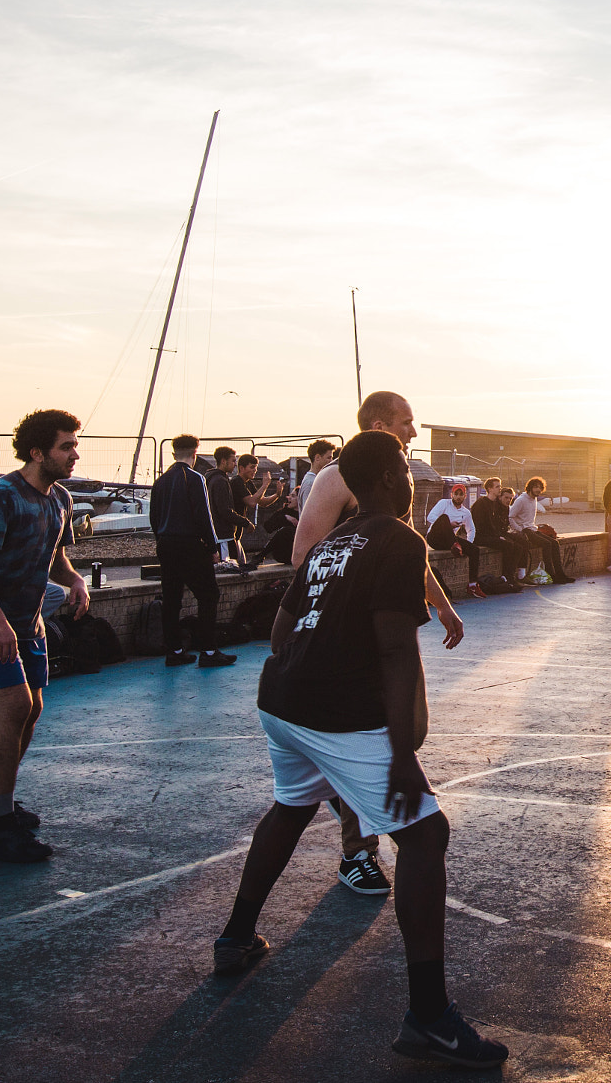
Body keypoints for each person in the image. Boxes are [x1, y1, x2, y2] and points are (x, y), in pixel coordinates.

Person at [211, 431, 506, 1069]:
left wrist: (308, 670)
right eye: (404, 468)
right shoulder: (401, 540)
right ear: (384, 482)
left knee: (291, 807)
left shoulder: (331, 544)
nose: (412, 480)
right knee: (425, 836)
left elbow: (281, 626)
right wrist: (403, 751)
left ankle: (235, 938)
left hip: (281, 701)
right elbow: (398, 649)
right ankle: (428, 1018)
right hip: (333, 712)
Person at [292, 392, 466, 892]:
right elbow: (304, 553)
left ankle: (341, 792)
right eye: (406, 423)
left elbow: (407, 550)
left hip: (382, 629)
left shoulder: (392, 484)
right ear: (378, 424)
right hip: (347, 635)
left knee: (404, 727)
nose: (414, 431)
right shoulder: (337, 477)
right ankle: (357, 853)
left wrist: (442, 604)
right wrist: (328, 616)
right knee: (368, 734)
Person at [0, 409, 91, 863]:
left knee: (33, 709)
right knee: (15, 705)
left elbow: (55, 557)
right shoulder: (1, 496)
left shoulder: (60, 499)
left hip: (27, 623)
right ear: (37, 452)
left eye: (74, 445)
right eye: (66, 446)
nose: (74, 454)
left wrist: (76, 581)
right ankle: (1, 831)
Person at [150, 436, 237, 670]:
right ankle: (208, 651)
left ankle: (175, 651)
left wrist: (162, 541)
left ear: (173, 454)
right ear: (195, 453)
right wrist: (212, 547)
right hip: (190, 544)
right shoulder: (196, 478)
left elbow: (154, 517)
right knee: (208, 595)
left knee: (171, 599)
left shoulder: (161, 481)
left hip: (166, 544)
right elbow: (203, 517)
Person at [510, 477, 574, 584]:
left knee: (554, 543)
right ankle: (552, 574)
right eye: (535, 487)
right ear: (529, 488)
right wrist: (519, 529)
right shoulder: (521, 500)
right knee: (547, 544)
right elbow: (510, 516)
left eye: (540, 488)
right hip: (525, 530)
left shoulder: (533, 499)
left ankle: (560, 574)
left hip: (532, 529)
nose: (538, 490)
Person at [469, 478, 527, 592]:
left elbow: (498, 523)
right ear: (489, 489)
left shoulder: (495, 504)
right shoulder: (481, 503)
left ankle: (511, 576)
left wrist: (500, 534)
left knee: (518, 547)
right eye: (497, 487)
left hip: (492, 535)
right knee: (508, 546)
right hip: (480, 537)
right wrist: (496, 536)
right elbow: (479, 526)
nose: (500, 488)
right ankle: (506, 577)